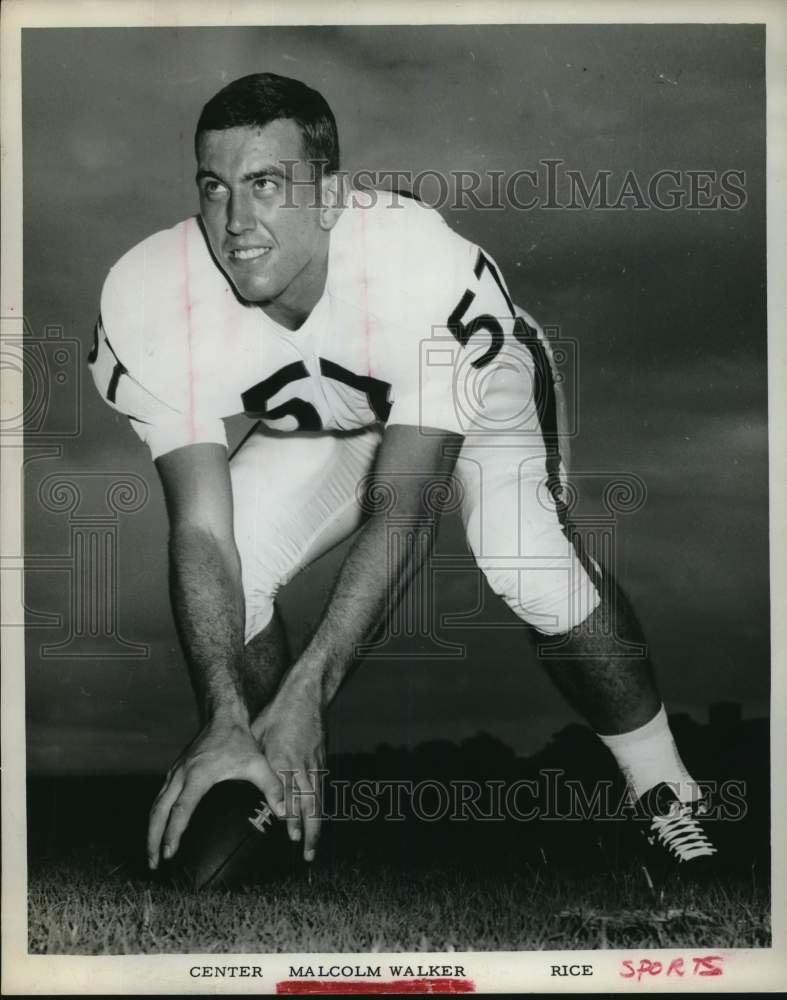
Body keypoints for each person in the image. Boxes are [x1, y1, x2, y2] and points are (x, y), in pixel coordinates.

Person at [89, 72, 717, 875]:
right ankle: (274, 786)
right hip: (324, 423)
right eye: (214, 188)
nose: (236, 223)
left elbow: (403, 511)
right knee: (236, 560)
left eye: (266, 186)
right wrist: (222, 713)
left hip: (470, 394)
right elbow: (201, 530)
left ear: (329, 198)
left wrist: (310, 690)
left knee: (523, 557)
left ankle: (664, 788)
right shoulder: (146, 297)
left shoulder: (415, 263)